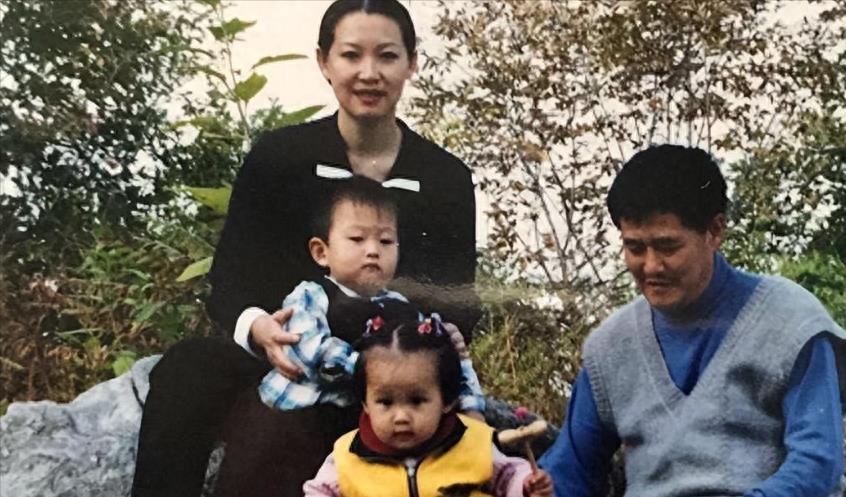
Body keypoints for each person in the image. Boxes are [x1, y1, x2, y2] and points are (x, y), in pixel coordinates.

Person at [131, 1, 481, 496]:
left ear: (411, 63)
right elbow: (230, 279)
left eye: (386, 56)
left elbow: (456, 294)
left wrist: (425, 350)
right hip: (289, 349)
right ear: (324, 62)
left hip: (394, 366)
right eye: (351, 55)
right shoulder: (279, 158)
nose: (368, 73)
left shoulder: (445, 178)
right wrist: (260, 329)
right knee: (188, 370)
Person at [539, 144, 846, 497]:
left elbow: (817, 463)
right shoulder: (609, 348)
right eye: (635, 248)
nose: (651, 266)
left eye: (668, 247)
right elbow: (570, 470)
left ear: (714, 231)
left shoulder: (791, 323)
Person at [256, 175, 484, 415]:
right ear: (321, 252)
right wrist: (377, 370)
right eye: (357, 239)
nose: (374, 250)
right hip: (301, 411)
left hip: (369, 419)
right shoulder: (311, 295)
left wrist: (469, 401)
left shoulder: (402, 308)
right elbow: (310, 351)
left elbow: (437, 363)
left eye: (386, 241)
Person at [303, 319, 553, 497]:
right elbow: (318, 492)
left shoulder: (474, 442)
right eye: (385, 402)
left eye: (416, 401)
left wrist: (526, 486)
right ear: (365, 403)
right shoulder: (346, 457)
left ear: (447, 400)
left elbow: (509, 474)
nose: (401, 416)